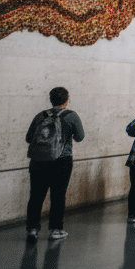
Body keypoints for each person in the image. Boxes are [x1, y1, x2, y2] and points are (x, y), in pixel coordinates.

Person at [25, 86, 86, 240]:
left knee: (36, 196)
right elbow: (80, 137)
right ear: (66, 100)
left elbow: (28, 138)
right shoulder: (71, 116)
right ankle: (55, 230)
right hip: (62, 160)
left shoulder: (40, 115)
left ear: (51, 99)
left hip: (38, 161)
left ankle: (32, 229)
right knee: (58, 195)